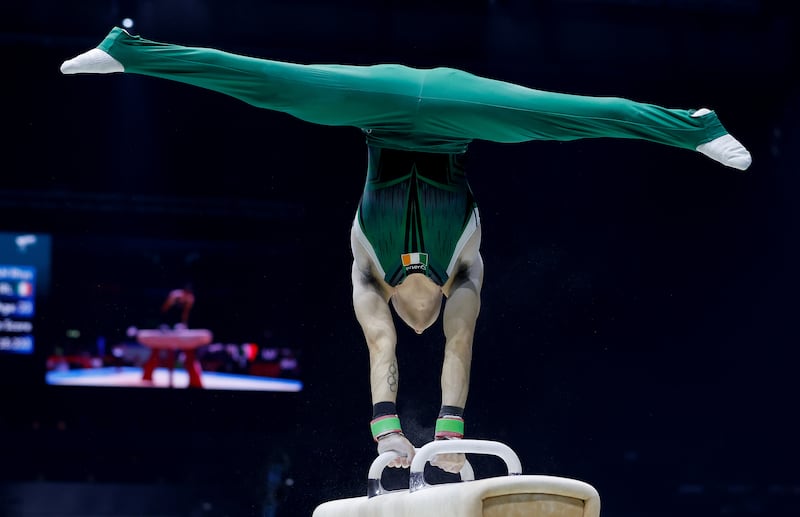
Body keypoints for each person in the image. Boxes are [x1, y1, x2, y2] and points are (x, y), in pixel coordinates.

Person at [60, 27, 752, 473]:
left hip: (381, 108)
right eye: (429, 315)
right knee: (560, 116)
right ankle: (130, 48)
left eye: (411, 316)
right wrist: (449, 430)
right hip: (455, 114)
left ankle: (691, 127)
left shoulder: (366, 274)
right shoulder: (467, 273)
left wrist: (387, 432)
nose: (421, 321)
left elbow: (382, 354)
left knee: (277, 82)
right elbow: (458, 349)